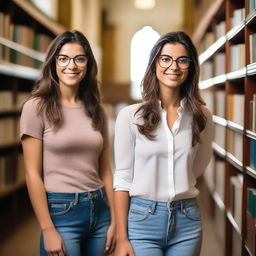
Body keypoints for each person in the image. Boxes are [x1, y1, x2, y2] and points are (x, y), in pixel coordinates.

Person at [113, 31, 214, 256]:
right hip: (142, 220)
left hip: (187, 221)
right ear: (154, 64)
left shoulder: (202, 116)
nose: (174, 67)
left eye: (182, 60)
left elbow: (197, 168)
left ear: (191, 67)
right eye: (166, 59)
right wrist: (121, 238)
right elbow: (122, 178)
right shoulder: (130, 116)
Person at [20, 30, 115, 256]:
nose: (71, 66)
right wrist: (47, 228)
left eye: (79, 59)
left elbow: (105, 170)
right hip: (61, 212)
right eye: (63, 58)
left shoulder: (97, 109)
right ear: (53, 63)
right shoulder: (36, 108)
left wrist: (115, 221)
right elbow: (32, 173)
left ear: (88, 64)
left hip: (100, 209)